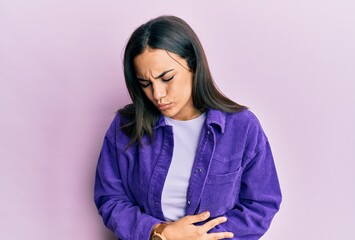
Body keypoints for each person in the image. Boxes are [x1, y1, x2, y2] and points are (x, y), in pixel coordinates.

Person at [94, 15, 282, 240]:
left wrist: (204, 237)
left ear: (193, 64)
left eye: (167, 78)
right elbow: (110, 199)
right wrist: (159, 232)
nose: (157, 94)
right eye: (145, 83)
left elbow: (261, 204)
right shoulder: (125, 126)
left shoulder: (242, 127)